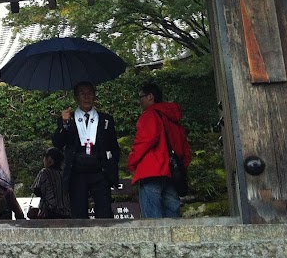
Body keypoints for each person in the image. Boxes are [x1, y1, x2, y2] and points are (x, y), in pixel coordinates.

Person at [51, 80, 120, 219]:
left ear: (94, 96)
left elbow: (114, 147)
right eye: (82, 93)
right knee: (79, 213)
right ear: (76, 97)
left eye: (89, 93)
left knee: (105, 213)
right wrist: (64, 124)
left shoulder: (106, 119)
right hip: (77, 171)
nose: (86, 97)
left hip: (99, 170)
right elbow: (58, 143)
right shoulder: (68, 119)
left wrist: (111, 165)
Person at [128, 82, 192, 218]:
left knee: (152, 218)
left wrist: (132, 162)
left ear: (150, 96)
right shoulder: (174, 119)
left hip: (151, 171)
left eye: (141, 97)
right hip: (171, 173)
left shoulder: (149, 115)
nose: (140, 101)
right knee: (172, 214)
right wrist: (179, 168)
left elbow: (145, 141)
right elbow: (185, 151)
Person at [29, 147, 70, 219]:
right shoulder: (65, 174)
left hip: (49, 213)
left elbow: (36, 190)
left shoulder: (45, 172)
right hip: (67, 213)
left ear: (50, 159)